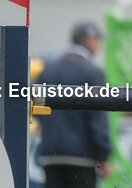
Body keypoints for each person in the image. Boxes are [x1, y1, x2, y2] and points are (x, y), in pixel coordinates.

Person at [37, 22, 111, 188]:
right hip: (82, 155)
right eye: (97, 39)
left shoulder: (48, 70)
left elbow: (37, 110)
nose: (98, 45)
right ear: (88, 40)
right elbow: (97, 119)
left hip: (51, 153)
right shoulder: (92, 71)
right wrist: (103, 155)